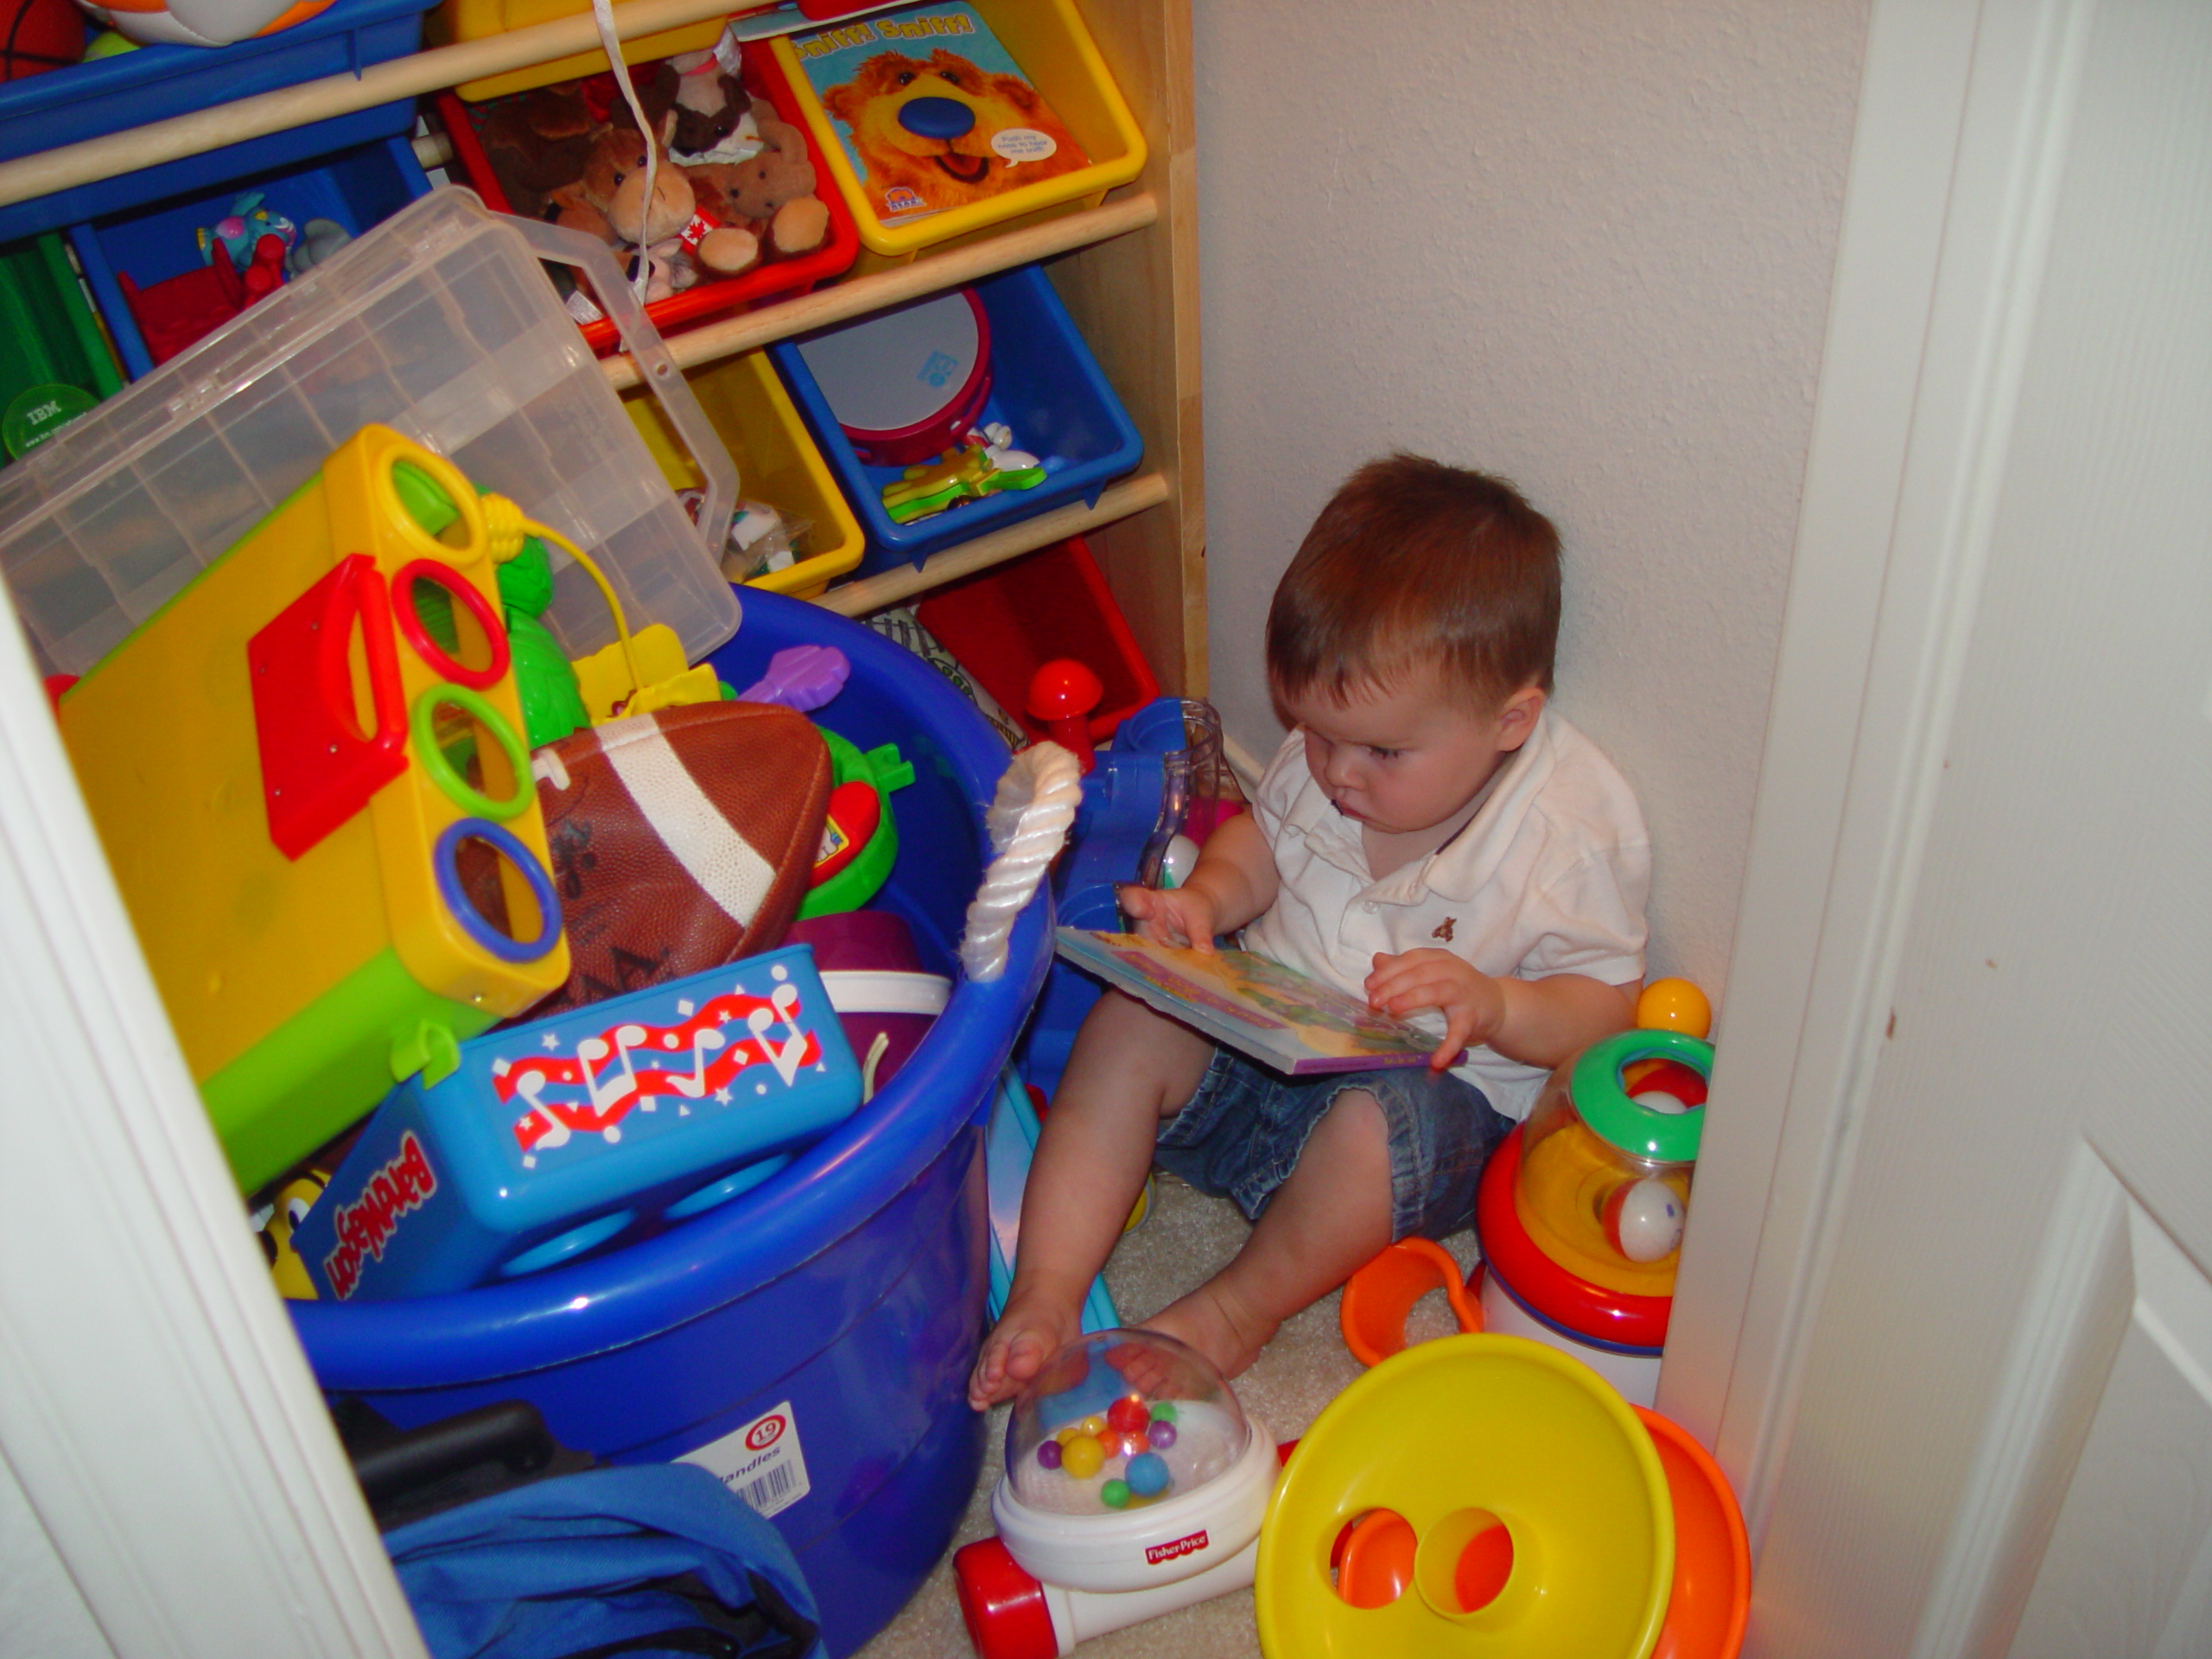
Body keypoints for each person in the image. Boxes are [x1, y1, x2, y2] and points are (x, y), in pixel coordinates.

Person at [969, 455, 1650, 1408]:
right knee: (1131, 1015)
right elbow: (1261, 841)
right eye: (1316, 736)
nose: (1336, 774)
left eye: (1379, 752)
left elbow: (1605, 1015)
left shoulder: (1564, 835)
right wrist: (1207, 900)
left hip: (1418, 1110)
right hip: (1264, 1042)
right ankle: (1046, 1290)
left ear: (1509, 722)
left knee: (1378, 1130)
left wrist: (1495, 1005)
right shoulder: (1336, 755)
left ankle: (1235, 1311)